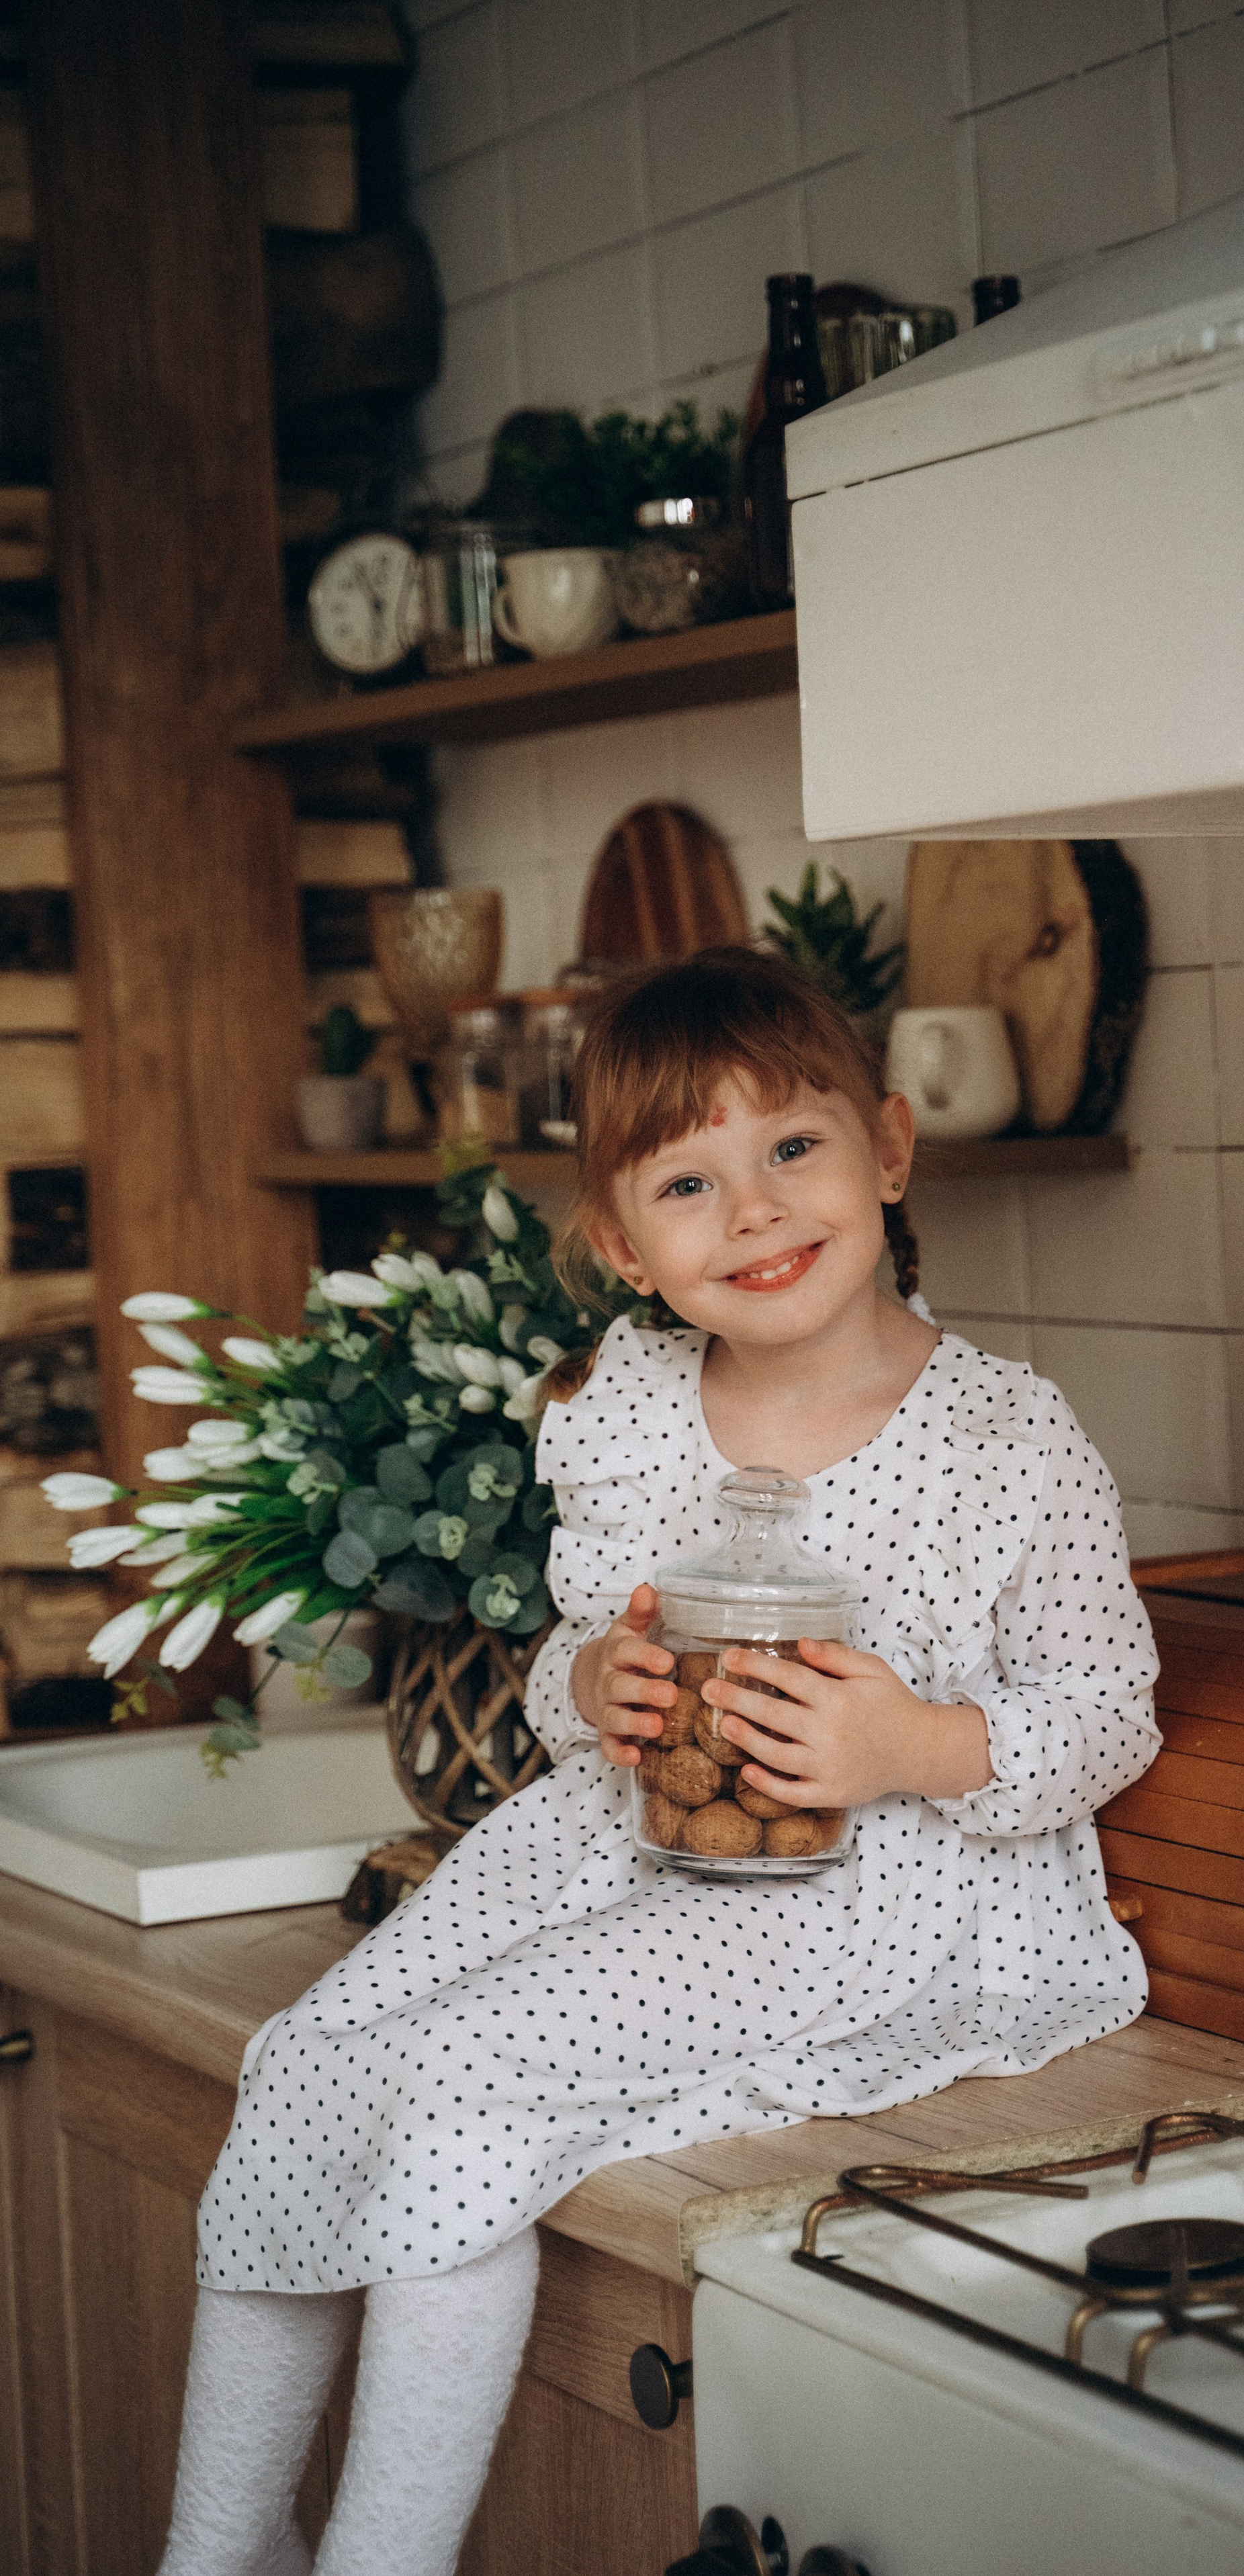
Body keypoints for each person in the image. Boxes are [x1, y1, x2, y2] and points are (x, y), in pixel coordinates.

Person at [159, 948, 1161, 2576]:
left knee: (461, 2088)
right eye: (689, 1181)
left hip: (874, 1891)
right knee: (306, 2058)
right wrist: (599, 1682)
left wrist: (903, 1742)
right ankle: (216, 2553)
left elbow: (1108, 1709)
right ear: (625, 1245)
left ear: (888, 1151)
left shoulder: (1004, 1438)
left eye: (792, 1150)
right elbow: (564, 1679)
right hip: (616, 1852)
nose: (754, 1211)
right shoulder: (622, 1411)